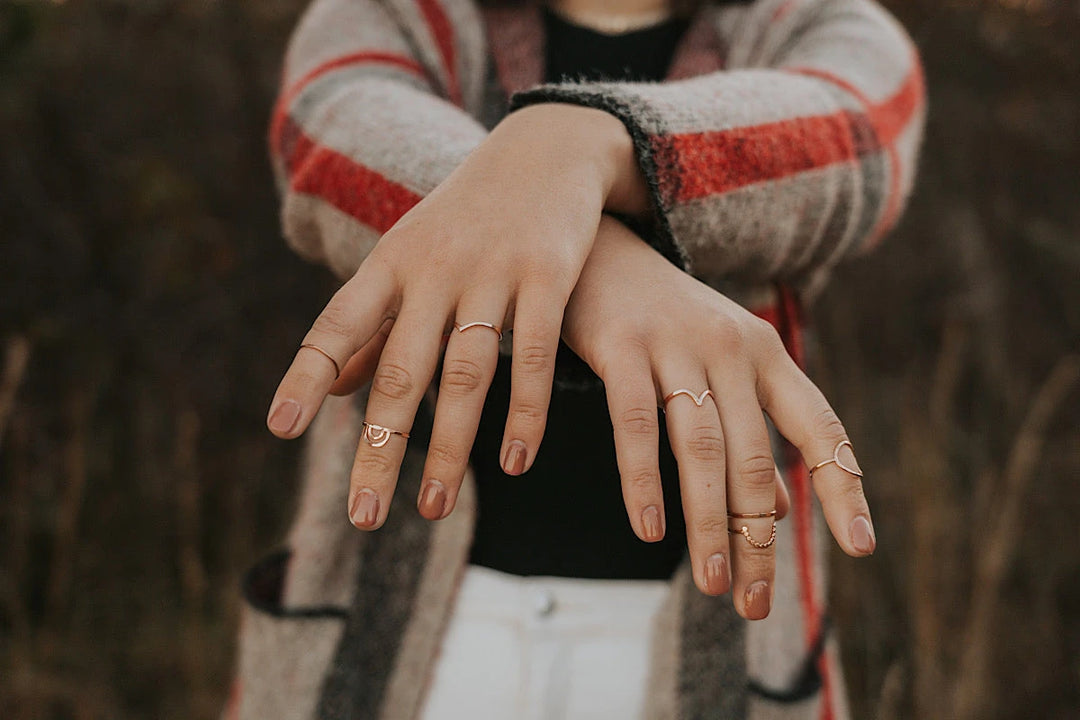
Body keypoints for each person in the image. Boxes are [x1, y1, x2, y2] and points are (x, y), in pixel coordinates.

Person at [227, 0, 925, 718]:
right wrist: (601, 274)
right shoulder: (397, 12)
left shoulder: (814, 20)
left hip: (698, 632)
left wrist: (582, 141)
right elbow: (332, 131)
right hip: (402, 629)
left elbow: (854, 141)